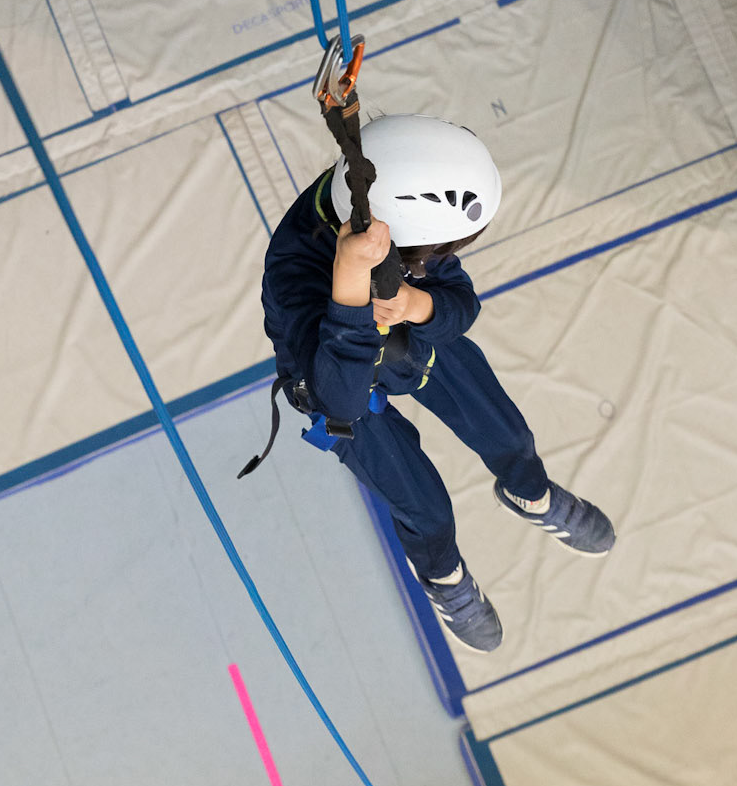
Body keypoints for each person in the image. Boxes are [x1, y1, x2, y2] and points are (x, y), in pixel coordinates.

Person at [259, 115, 615, 653]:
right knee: (423, 508)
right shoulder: (295, 275)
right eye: (435, 254)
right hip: (338, 373)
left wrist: (415, 304)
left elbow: (459, 304)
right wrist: (352, 289)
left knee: (506, 433)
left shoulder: (378, 199)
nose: (441, 259)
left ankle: (531, 492)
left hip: (410, 340)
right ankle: (444, 576)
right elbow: (341, 399)